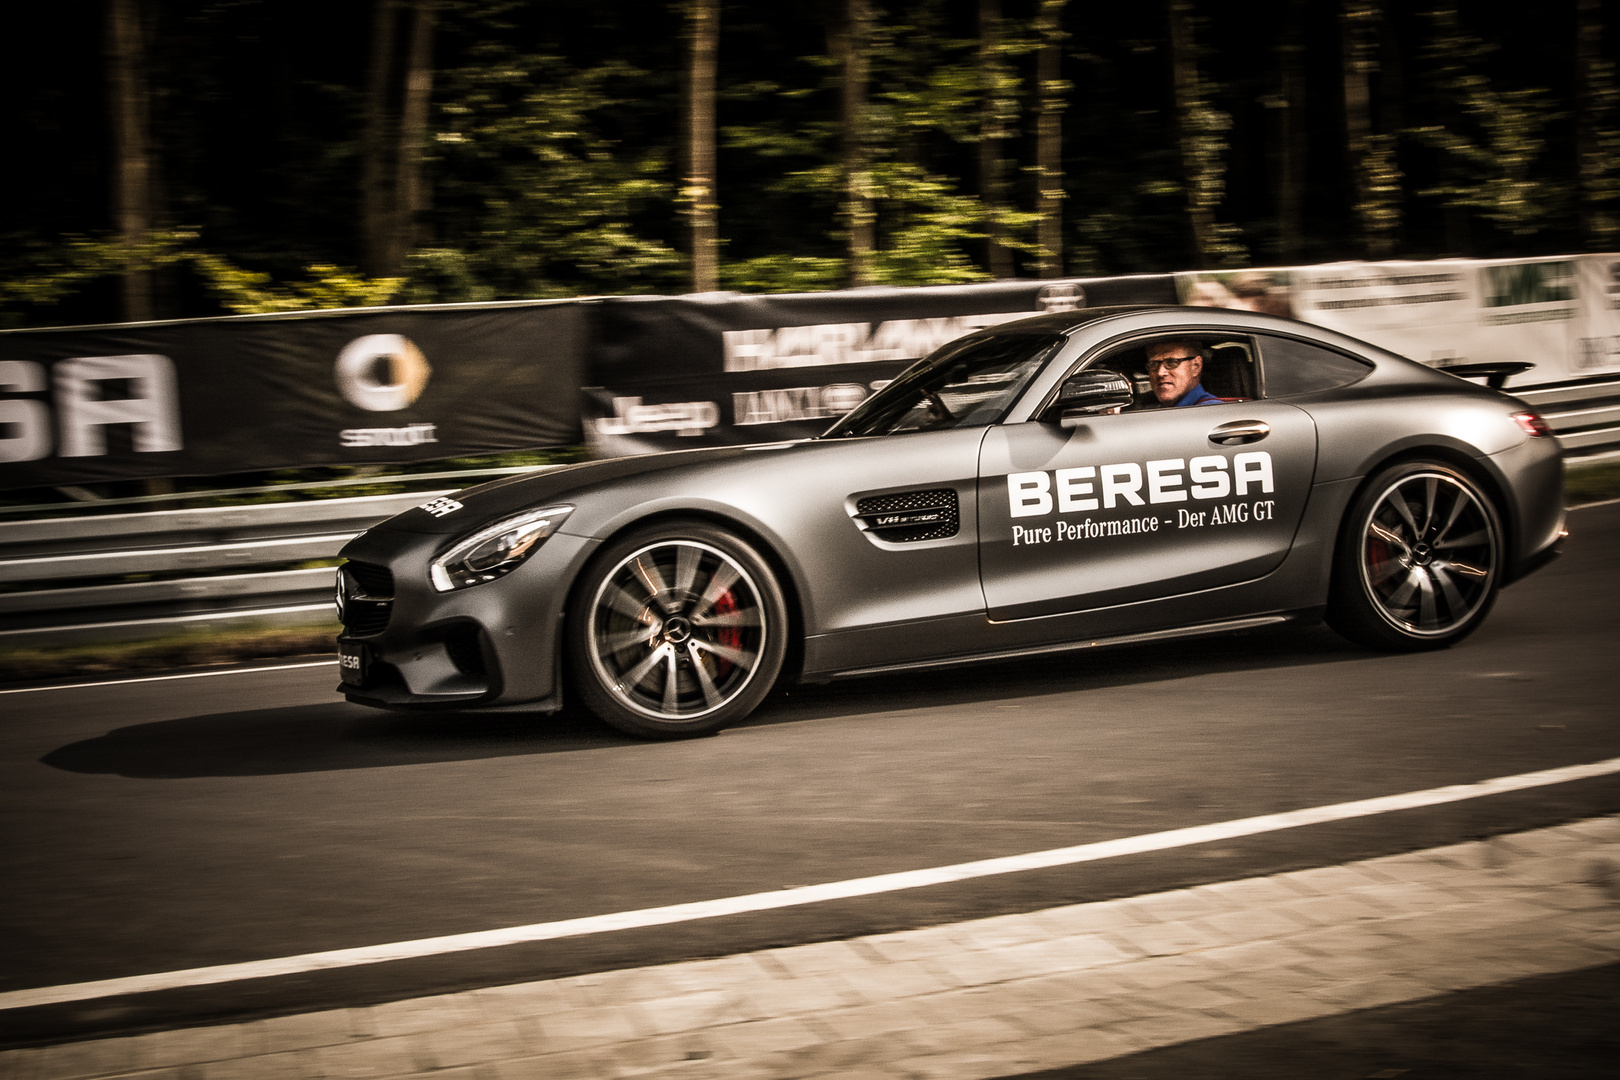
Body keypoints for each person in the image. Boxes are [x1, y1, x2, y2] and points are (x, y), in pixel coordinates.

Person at [1146, 339, 1221, 407]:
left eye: (1172, 362)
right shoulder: (1154, 409)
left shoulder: (1210, 411)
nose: (1160, 373)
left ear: (1196, 366)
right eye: (1154, 364)